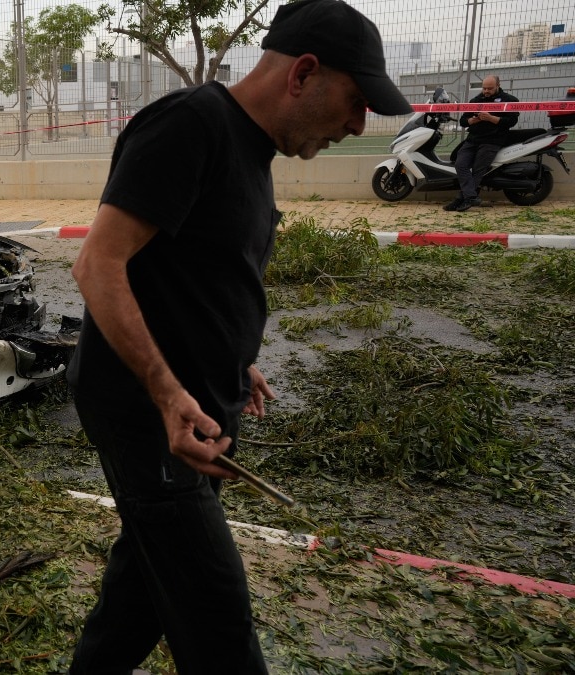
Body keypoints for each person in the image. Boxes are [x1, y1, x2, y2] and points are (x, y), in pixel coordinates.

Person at [65, 0, 410, 673]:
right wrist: (168, 392)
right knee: (219, 625)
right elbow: (97, 264)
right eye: (355, 100)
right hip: (149, 418)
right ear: (303, 72)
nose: (356, 124)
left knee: (140, 593)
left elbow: (192, 275)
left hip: (198, 414)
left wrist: (231, 361)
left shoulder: (251, 152)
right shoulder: (189, 126)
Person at [444, 75, 519, 212]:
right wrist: (473, 120)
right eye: (484, 88)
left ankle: (462, 198)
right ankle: (470, 197)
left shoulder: (509, 100)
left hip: (493, 140)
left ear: (498, 85)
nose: (486, 91)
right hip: (473, 139)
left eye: (490, 88)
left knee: (479, 169)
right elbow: (463, 121)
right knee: (460, 163)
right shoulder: (476, 101)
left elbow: (511, 121)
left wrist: (491, 118)